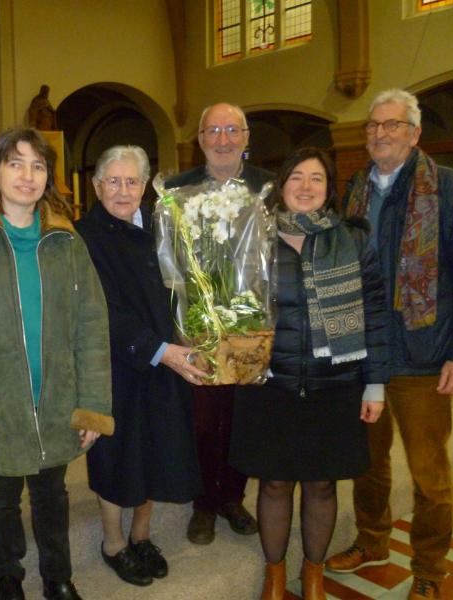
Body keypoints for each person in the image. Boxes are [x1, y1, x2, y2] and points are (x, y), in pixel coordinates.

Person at [0, 126, 114, 600]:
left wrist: (93, 403)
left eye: (37, 165)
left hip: (56, 394)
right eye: (16, 163)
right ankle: (6, 574)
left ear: (47, 176)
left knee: (53, 493)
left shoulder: (68, 243)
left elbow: (92, 326)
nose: (27, 176)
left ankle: (58, 576)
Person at [325, 89, 453, 600]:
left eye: (392, 125)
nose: (379, 133)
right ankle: (372, 541)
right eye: (373, 125)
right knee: (367, 464)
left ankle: (429, 566)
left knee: (429, 474)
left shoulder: (449, 187)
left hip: (423, 352)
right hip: (364, 352)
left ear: (415, 133)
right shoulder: (354, 188)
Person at [230, 148, 389, 599]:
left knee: (322, 484)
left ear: (329, 188)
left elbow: (375, 314)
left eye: (316, 178)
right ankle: (275, 574)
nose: (305, 186)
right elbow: (231, 309)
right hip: (270, 383)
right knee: (275, 483)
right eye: (296, 176)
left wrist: (375, 382)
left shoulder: (353, 240)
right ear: (281, 185)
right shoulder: (254, 238)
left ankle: (313, 573)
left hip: (335, 384)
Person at [75, 146, 206, 587]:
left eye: (132, 181)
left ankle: (142, 534)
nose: (122, 190)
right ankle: (113, 543)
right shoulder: (84, 236)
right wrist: (160, 349)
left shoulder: (161, 225)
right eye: (113, 181)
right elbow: (103, 310)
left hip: (168, 358)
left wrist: (196, 330)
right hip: (117, 363)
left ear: (146, 185)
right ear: (96, 186)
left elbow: (186, 287)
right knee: (116, 457)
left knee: (156, 449)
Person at [165, 102, 274, 544]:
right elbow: (167, 262)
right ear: (201, 139)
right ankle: (204, 503)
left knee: (243, 419)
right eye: (214, 130)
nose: (223, 139)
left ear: (247, 137)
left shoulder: (269, 187)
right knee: (204, 422)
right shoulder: (177, 190)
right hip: (199, 324)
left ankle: (233, 496)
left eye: (233, 130)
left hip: (253, 323)